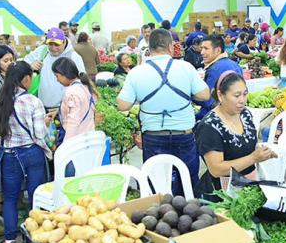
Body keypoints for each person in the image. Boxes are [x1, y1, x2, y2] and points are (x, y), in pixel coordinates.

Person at [117, 29, 210, 197]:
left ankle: (160, 215)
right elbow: (205, 95)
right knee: (187, 182)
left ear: (149, 47)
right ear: (170, 46)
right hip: (184, 135)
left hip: (153, 137)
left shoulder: (136, 72)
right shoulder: (185, 67)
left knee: (157, 185)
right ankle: (189, 214)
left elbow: (123, 105)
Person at [0, 61, 50, 243]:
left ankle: (9, 241)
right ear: (26, 78)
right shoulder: (33, 101)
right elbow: (40, 135)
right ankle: (38, 238)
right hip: (32, 153)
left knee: (10, 198)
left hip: (9, 155)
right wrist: (47, 123)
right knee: (36, 195)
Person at [194, 72, 276, 200]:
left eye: (245, 94)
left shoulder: (245, 114)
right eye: (237, 95)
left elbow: (247, 144)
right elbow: (216, 169)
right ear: (220, 95)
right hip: (222, 194)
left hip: (248, 186)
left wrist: (261, 152)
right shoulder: (209, 126)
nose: (242, 100)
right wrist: (253, 158)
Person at [22, 27, 86, 109]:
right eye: (50, 44)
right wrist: (30, 66)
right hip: (43, 106)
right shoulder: (42, 52)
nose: (53, 48)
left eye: (57, 45)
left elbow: (81, 82)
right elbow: (21, 66)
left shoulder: (73, 57)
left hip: (64, 108)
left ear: (64, 42)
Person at [51, 57, 96, 146]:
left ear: (64, 74)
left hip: (75, 140)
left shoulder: (72, 92)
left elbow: (73, 122)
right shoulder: (84, 86)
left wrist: (66, 146)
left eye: (57, 76)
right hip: (87, 136)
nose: (57, 80)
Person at [198, 35, 243, 120]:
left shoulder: (214, 69)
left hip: (217, 118)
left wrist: (193, 95)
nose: (202, 52)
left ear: (218, 50)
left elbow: (209, 101)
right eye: (201, 48)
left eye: (206, 48)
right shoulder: (234, 64)